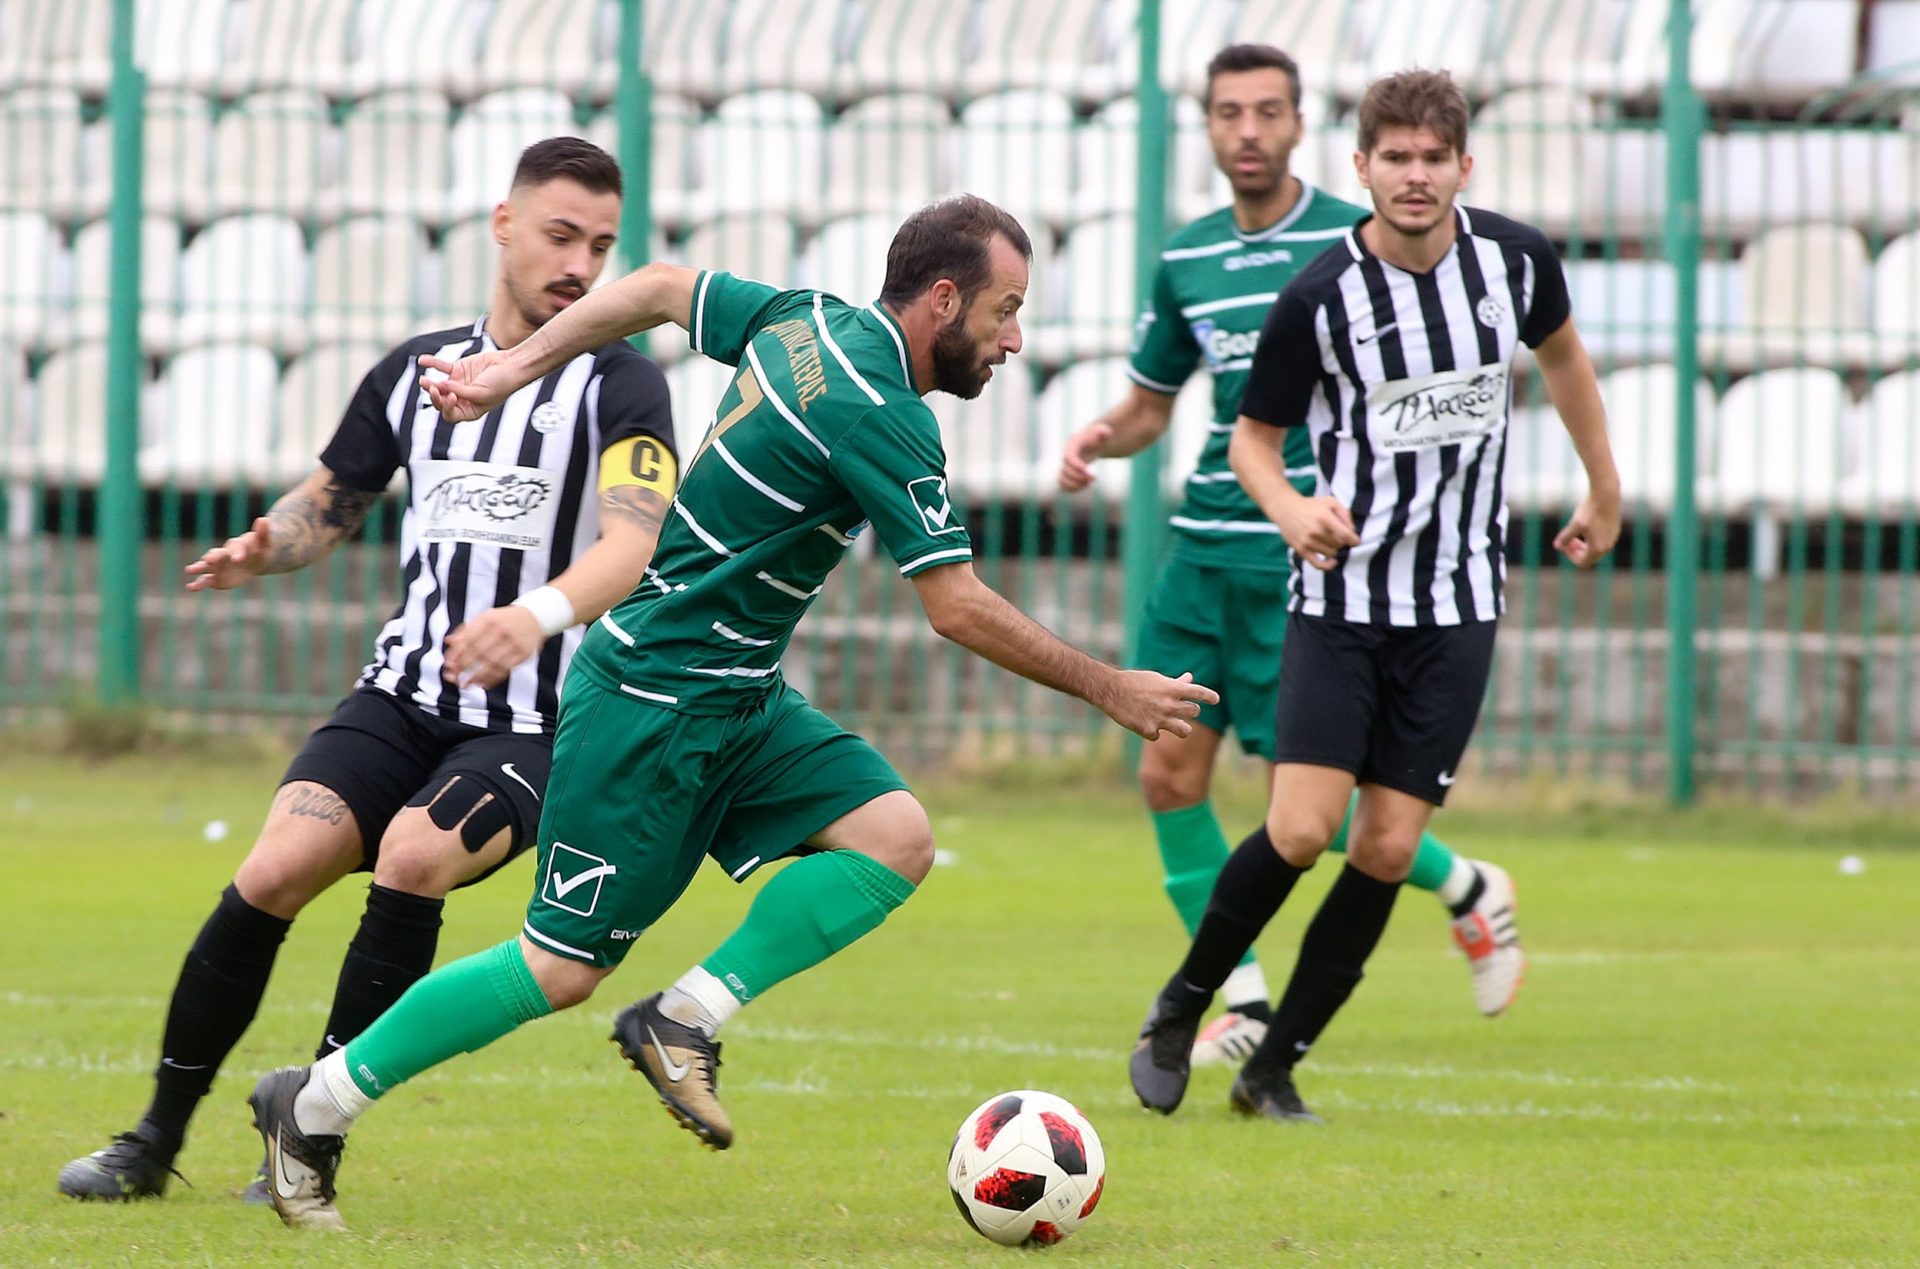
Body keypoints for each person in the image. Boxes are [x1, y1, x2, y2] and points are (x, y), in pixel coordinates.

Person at [240, 195, 1216, 1231]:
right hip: (651, 702)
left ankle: (684, 1017)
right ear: (943, 299)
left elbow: (664, 288)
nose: (1014, 339)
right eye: (1005, 310)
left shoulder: (807, 319)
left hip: (736, 692)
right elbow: (956, 604)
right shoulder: (884, 414)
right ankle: (313, 1103)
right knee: (557, 967)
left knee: (894, 837)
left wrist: (510, 368)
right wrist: (1112, 687)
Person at [57, 138, 678, 1201]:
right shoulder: (415, 370)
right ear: (504, 225)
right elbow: (328, 503)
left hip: (534, 725)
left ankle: (307, 1141)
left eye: (600, 245)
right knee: (273, 871)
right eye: (560, 235)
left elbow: (634, 543)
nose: (580, 264)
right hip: (402, 696)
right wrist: (267, 545)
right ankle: (152, 1143)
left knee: (415, 854)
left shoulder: (622, 385)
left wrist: (531, 617)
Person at [1128, 69, 1622, 1123]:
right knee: (1302, 829)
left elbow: (1566, 358)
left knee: (1389, 847)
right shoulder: (1320, 296)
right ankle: (1182, 1005)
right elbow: (1252, 441)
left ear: (1464, 166)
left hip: (1457, 606)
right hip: (1342, 604)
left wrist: (1604, 487)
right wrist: (1290, 509)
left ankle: (1272, 1070)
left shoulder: (1516, 262)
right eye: (1395, 157)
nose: (1414, 175)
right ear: (1361, 167)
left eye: (1433, 157)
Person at [1059, 45, 1525, 1067]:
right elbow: (1153, 406)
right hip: (1201, 557)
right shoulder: (1188, 257)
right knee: (1168, 777)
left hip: (1309, 566)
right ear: (1208, 126)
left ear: (1304, 127)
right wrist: (1102, 437)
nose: (1249, 130)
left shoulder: (1357, 243)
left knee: (1309, 809)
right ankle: (1243, 1002)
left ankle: (1463, 884)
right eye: (1230, 112)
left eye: (1269, 111)